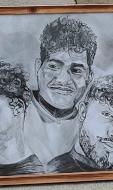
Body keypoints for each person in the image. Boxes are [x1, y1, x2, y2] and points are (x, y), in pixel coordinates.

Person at [24, 16, 97, 166]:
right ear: (38, 67)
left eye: (76, 70)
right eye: (54, 66)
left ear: (89, 77)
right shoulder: (12, 114)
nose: (63, 80)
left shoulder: (97, 129)